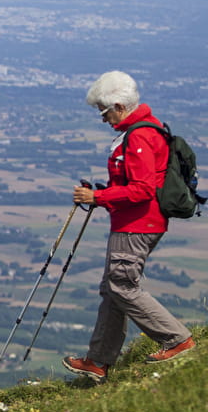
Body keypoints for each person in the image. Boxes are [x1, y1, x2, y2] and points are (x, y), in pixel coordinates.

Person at [62, 71, 195, 383]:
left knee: (122, 286)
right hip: (133, 221)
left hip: (137, 224)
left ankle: (176, 339)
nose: (104, 119)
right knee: (112, 290)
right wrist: (104, 196)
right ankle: (97, 361)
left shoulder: (138, 137)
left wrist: (98, 196)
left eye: (104, 111)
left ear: (119, 106)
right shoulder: (144, 131)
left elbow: (142, 189)